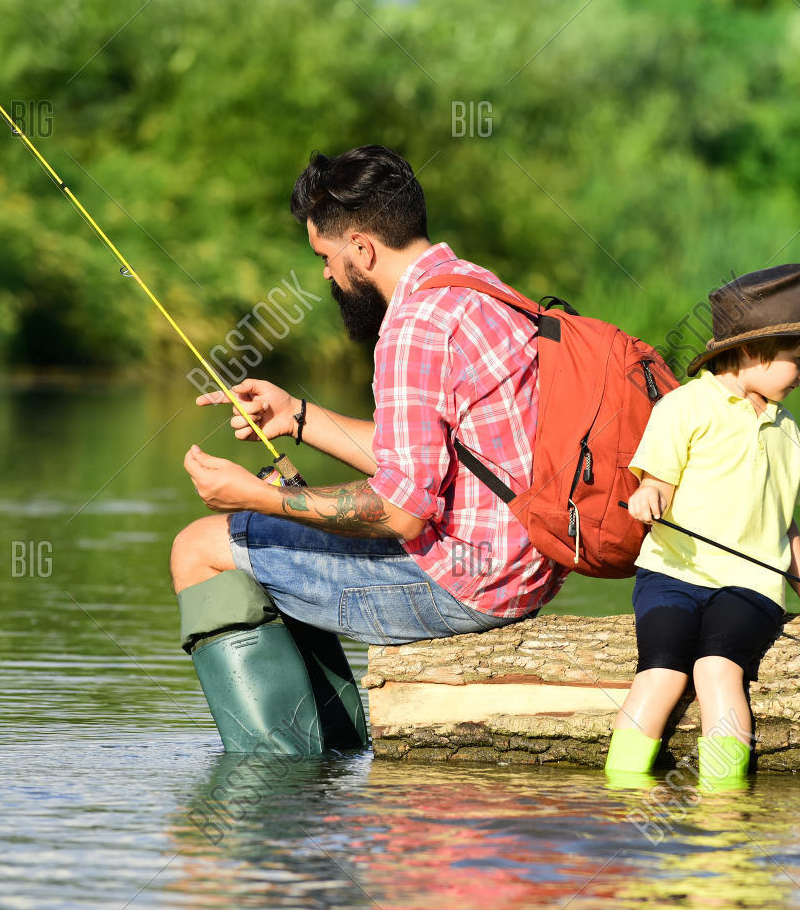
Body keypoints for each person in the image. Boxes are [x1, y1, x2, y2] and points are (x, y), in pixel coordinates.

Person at [170, 144, 566, 645]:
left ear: (361, 249)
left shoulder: (413, 327)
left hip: (464, 584)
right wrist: (295, 415)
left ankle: (301, 729)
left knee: (198, 546)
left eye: (325, 256)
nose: (325, 274)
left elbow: (401, 513)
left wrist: (260, 498)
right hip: (521, 572)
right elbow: (425, 455)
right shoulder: (481, 289)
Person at [606, 264, 800, 788]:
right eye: (798, 360)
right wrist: (647, 496)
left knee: (716, 670)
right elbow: (658, 483)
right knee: (660, 674)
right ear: (753, 351)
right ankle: (624, 795)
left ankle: (724, 807)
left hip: (751, 586)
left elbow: (784, 517)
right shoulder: (683, 407)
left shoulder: (785, 428)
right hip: (671, 576)